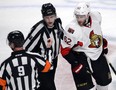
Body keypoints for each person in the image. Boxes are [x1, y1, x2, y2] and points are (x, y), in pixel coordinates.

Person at [61, 2, 112, 90]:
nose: (79, 19)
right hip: (81, 59)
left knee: (104, 85)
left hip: (98, 56)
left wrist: (102, 44)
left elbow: (96, 30)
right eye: (77, 16)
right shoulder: (72, 29)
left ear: (88, 14)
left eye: (82, 16)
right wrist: (75, 63)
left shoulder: (97, 16)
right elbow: (64, 50)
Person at [23, 3, 64, 90]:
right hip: (42, 64)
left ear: (55, 15)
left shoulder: (58, 23)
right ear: (43, 17)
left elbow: (63, 36)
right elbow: (25, 47)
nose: (50, 20)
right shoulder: (39, 29)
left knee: (48, 84)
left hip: (53, 60)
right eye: (47, 18)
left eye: (52, 17)